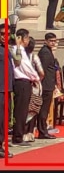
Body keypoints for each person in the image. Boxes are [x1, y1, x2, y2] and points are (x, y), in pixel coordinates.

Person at [11, 28, 41, 146]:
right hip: (21, 82)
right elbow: (26, 68)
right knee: (21, 111)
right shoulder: (18, 50)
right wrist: (36, 78)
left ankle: (19, 134)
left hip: (24, 82)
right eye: (27, 38)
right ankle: (17, 137)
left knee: (23, 111)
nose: (28, 40)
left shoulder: (21, 50)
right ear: (22, 39)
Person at [36, 33, 59, 140]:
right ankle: (42, 131)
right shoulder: (45, 52)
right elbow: (43, 69)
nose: (53, 43)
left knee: (45, 109)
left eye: (54, 41)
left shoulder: (48, 51)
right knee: (43, 109)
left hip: (49, 83)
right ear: (45, 41)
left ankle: (43, 130)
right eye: (51, 41)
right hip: (45, 84)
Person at [0, 22, 15, 157]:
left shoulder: (6, 48)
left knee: (5, 119)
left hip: (7, 88)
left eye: (7, 34)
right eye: (2, 34)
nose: (5, 36)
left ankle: (1, 144)